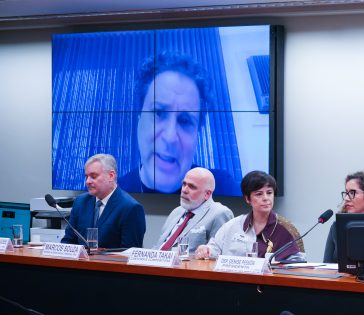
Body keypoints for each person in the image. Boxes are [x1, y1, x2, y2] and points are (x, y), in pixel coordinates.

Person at [119, 51, 238, 195]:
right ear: (139, 117)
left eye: (185, 121)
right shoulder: (108, 196)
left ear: (197, 134)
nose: (170, 137)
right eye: (158, 112)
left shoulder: (222, 188)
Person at [195, 170, 301, 260]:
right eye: (259, 194)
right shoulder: (232, 225)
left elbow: (297, 263)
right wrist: (205, 250)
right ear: (247, 199)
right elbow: (213, 250)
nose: (266, 198)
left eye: (269, 193)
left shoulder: (285, 228)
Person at [61, 154, 146, 249]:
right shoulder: (80, 202)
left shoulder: (131, 208)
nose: (87, 181)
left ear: (111, 176)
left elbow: (130, 252)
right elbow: (68, 241)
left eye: (93, 176)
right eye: (86, 177)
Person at [153, 168, 233, 252]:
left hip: (185, 260)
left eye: (192, 187)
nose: (184, 190)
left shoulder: (220, 213)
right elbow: (158, 246)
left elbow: (217, 252)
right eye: (184, 184)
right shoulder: (177, 211)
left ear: (207, 194)